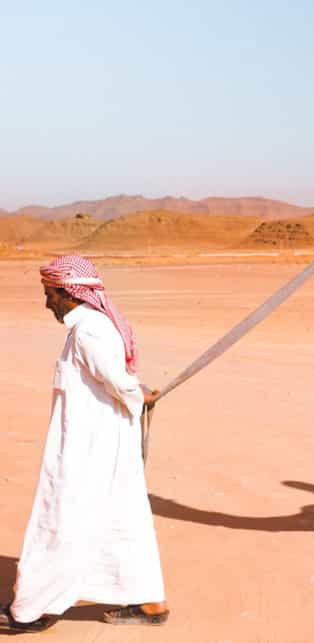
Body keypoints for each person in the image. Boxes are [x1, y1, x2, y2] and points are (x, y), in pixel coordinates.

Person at [0, 255, 169, 633]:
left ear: (69, 293)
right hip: (102, 441)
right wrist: (138, 393)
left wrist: (138, 395)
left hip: (87, 446)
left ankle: (34, 607)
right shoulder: (91, 327)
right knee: (123, 517)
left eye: (50, 294)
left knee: (61, 515)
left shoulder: (89, 331)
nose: (48, 303)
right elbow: (118, 381)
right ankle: (150, 601)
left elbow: (118, 381)